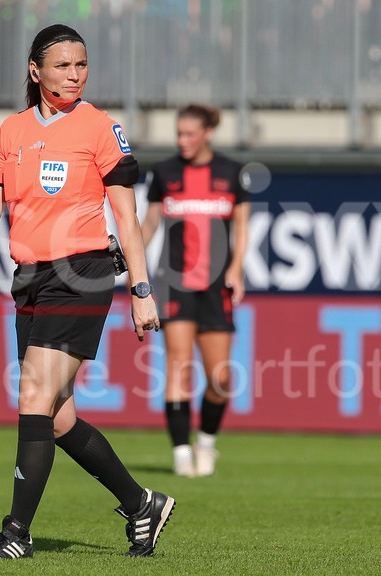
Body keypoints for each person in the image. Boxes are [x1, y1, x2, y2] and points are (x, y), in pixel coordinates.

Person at [0, 24, 175, 559]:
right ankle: (141, 503)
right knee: (56, 417)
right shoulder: (11, 133)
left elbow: (127, 219)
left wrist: (141, 290)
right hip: (30, 278)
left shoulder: (101, 128)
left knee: (32, 397)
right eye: (63, 66)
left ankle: (16, 533)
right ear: (35, 71)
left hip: (83, 272)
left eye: (81, 65)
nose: (74, 75)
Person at [140, 104, 251, 477]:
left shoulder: (231, 172)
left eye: (189, 133)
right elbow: (150, 222)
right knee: (179, 368)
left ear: (207, 133)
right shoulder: (165, 172)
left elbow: (242, 227)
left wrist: (236, 268)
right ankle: (182, 454)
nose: (182, 140)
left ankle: (206, 443)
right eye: (178, 133)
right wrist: (134, 265)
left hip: (216, 284)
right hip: (174, 283)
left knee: (220, 378)